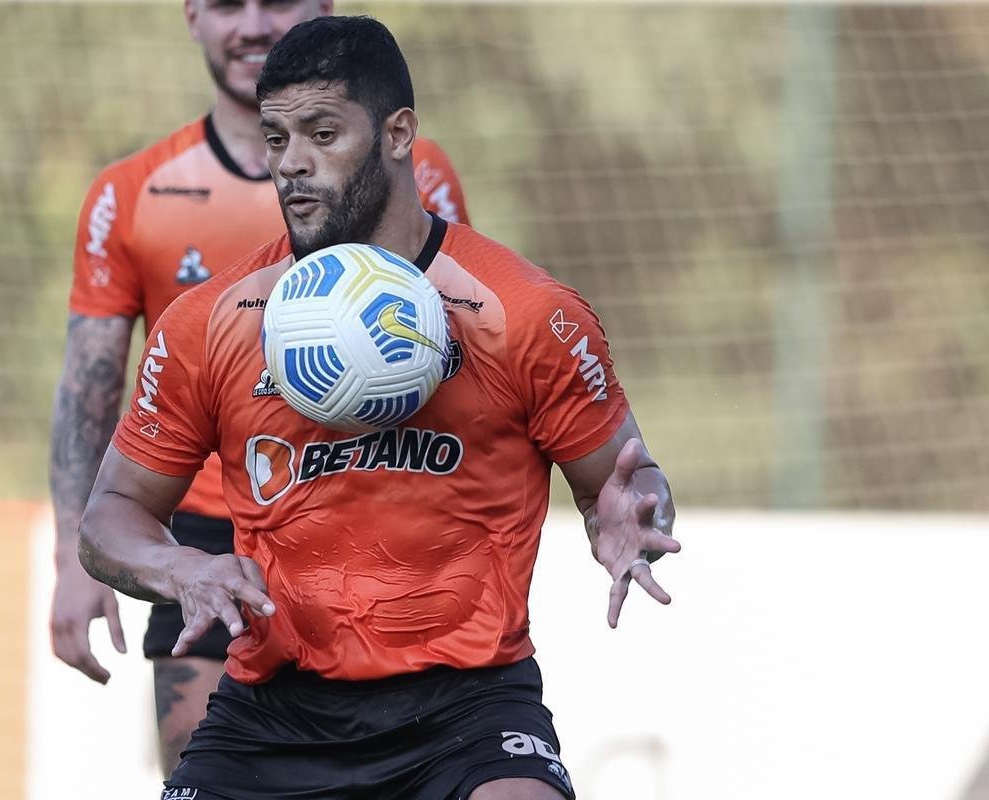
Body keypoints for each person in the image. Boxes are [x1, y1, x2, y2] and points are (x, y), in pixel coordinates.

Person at [80, 15, 679, 800]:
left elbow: (622, 482)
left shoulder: (527, 314)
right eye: (276, 138)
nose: (292, 165)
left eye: (323, 134)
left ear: (399, 133)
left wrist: (632, 509)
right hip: (272, 713)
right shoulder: (211, 322)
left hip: (467, 708)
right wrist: (180, 565)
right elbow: (110, 515)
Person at [48, 0, 470, 775]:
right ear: (190, 16)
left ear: (325, 11)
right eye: (226, 4)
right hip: (206, 534)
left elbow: (452, 344)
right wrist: (71, 559)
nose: (251, 25)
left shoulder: (415, 171)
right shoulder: (133, 193)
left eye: (276, 2)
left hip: (375, 512)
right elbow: (90, 390)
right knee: (201, 767)